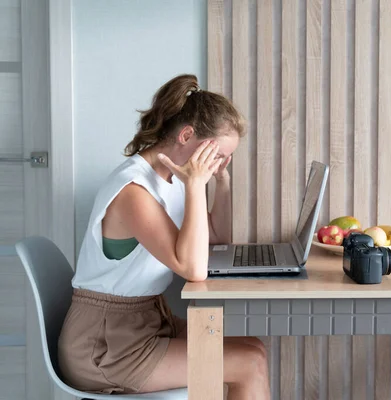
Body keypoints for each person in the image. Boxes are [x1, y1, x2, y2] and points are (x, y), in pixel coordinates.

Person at [57, 74, 270, 399]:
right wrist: (196, 185)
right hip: (105, 344)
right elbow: (194, 268)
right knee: (248, 363)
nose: (218, 163)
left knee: (253, 347)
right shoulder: (133, 191)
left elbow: (216, 238)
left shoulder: (170, 177)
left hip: (146, 322)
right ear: (187, 135)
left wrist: (221, 181)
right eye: (217, 155)